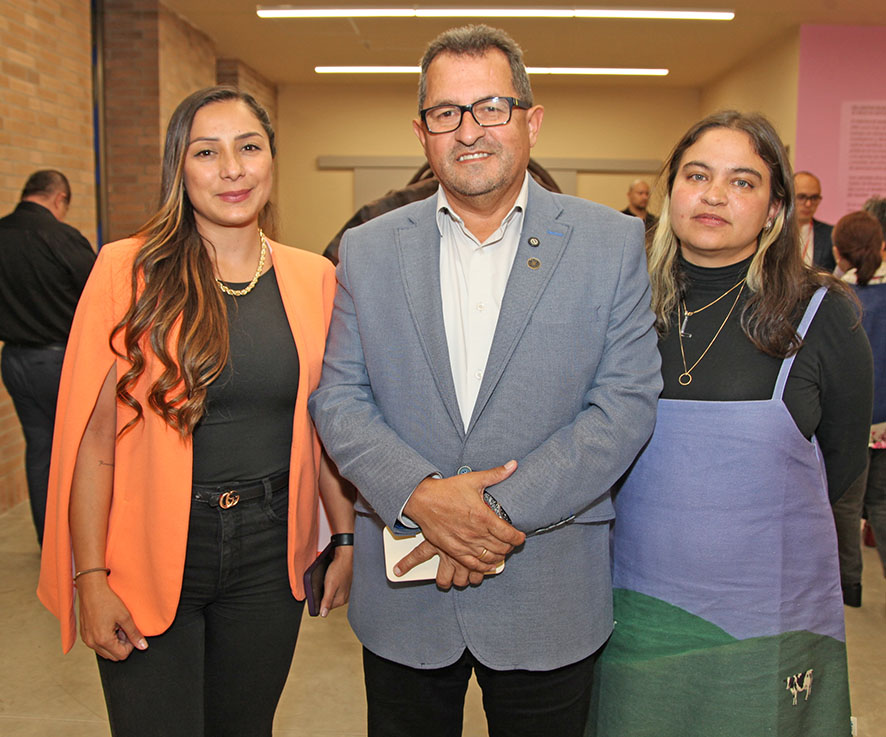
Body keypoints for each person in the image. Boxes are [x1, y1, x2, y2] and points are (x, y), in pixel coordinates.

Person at [308, 24, 661, 737]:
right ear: (422, 133)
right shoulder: (368, 249)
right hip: (406, 592)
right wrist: (421, 497)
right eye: (446, 113)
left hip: (548, 589)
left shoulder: (610, 242)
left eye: (491, 107)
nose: (469, 130)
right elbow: (340, 399)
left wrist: (484, 515)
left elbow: (623, 405)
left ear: (532, 120)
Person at [37, 86, 354, 737]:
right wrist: (89, 577)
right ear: (178, 168)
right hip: (147, 544)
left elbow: (323, 425)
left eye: (249, 147)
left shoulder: (314, 277)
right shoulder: (126, 270)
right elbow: (93, 444)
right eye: (207, 152)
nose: (232, 169)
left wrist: (343, 537)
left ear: (271, 158)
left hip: (270, 550)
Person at [590, 111, 872, 736]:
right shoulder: (621, 307)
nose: (714, 195)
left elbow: (842, 464)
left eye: (743, 181)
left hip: (767, 620)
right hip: (631, 607)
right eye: (697, 175)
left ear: (775, 210)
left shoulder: (823, 315)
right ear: (669, 192)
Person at [0, 170, 95, 546]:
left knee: (39, 449)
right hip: (60, 362)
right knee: (80, 452)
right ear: (59, 199)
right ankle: (79, 544)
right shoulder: (61, 237)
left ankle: (50, 543)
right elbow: (99, 294)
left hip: (14, 361)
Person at [830, 210, 886, 606]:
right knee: (882, 504)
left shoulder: (836, 298)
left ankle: (849, 587)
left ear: (838, 252)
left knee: (846, 509)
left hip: (849, 422)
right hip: (884, 422)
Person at [794, 170, 836, 270]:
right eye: (802, 197)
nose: (808, 204)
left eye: (814, 198)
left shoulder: (830, 234)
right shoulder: (773, 231)